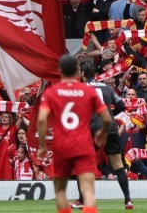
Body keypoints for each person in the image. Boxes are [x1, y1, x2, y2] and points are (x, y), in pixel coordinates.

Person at [37, 54, 113, 213]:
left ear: (60, 70)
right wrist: (103, 132)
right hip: (84, 144)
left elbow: (42, 119)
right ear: (79, 71)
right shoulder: (88, 91)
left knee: (59, 191)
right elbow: (107, 118)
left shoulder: (51, 92)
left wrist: (43, 146)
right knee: (88, 191)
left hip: (61, 145)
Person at [82, 60, 134, 210]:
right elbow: (122, 106)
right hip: (110, 127)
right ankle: (128, 200)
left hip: (92, 128)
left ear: (83, 74)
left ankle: (82, 199)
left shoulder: (81, 88)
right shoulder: (106, 87)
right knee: (118, 165)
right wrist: (110, 114)